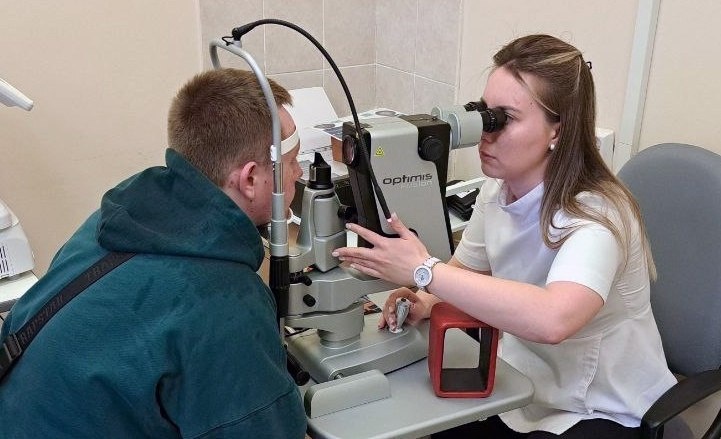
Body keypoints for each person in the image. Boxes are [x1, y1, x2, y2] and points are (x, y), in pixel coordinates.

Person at [334, 34, 676, 438]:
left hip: (598, 404)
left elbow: (553, 319)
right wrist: (424, 299)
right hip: (518, 381)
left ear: (558, 131)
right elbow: (465, 273)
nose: (486, 132)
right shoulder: (498, 189)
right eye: (484, 114)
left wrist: (425, 271)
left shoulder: (598, 214)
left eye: (504, 119)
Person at [0, 68, 307, 438]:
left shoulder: (112, 225)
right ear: (250, 179)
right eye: (292, 161)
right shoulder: (224, 304)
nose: (299, 172)